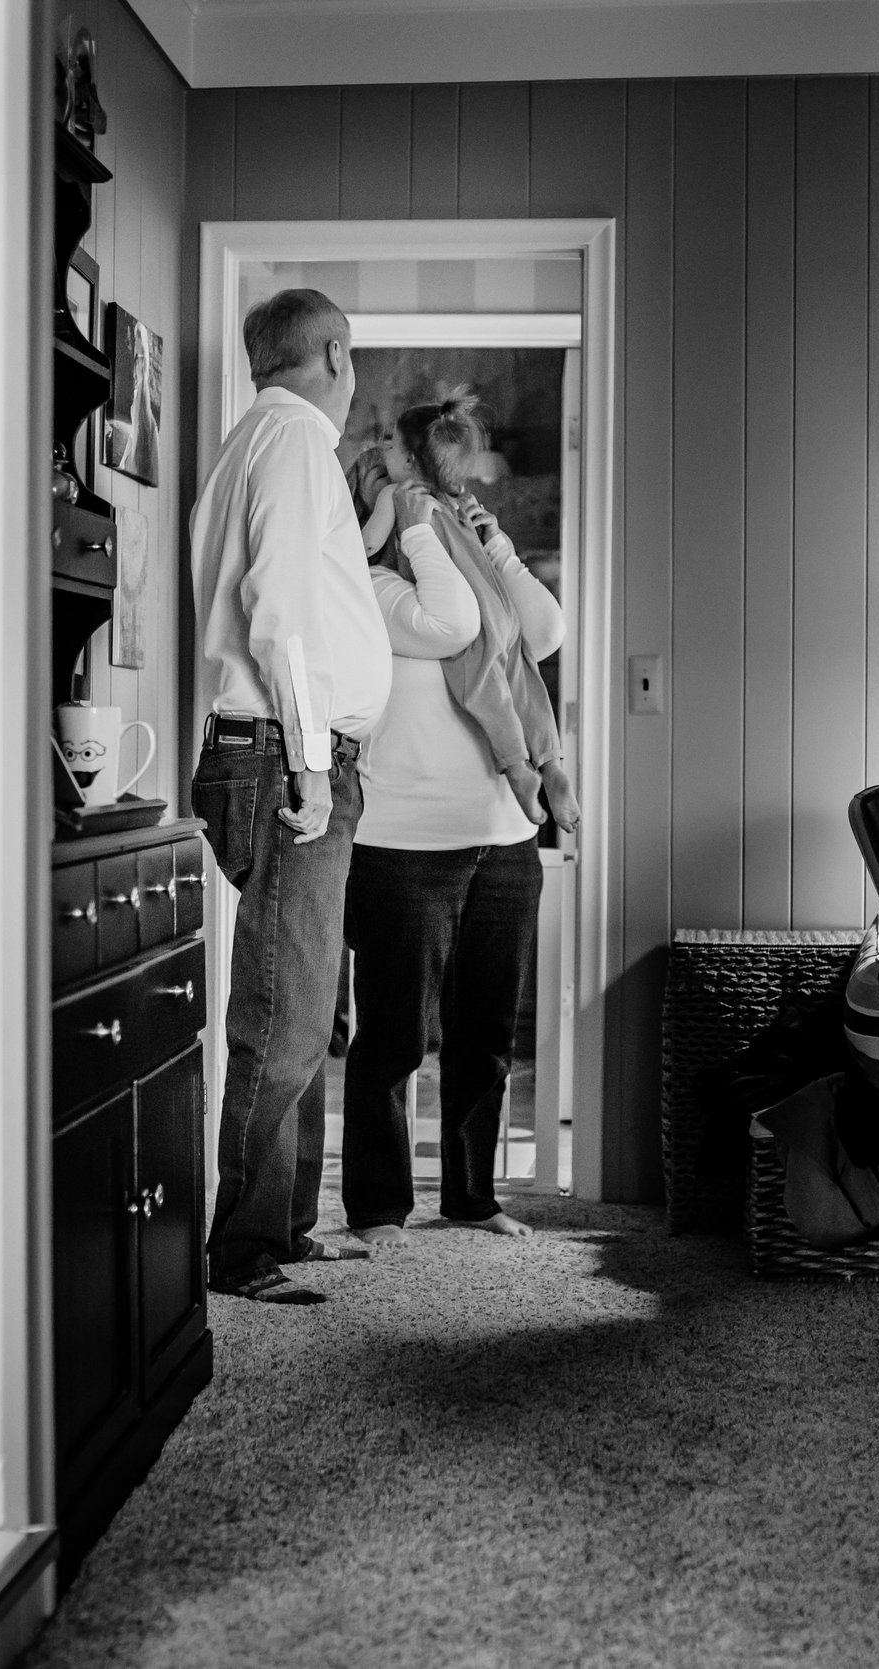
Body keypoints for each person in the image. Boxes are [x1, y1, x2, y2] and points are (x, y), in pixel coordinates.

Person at [189, 289, 389, 1306]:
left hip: (270, 750)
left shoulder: (248, 444)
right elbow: (283, 617)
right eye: (350, 361)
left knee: (306, 998)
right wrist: (312, 761)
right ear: (330, 353)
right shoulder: (298, 442)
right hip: (282, 757)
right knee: (285, 1001)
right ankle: (246, 1248)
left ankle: (288, 1223)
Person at [340, 405, 571, 1250]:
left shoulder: (463, 559)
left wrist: (494, 543)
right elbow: (454, 625)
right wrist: (413, 527)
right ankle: (376, 1207)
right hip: (402, 844)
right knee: (396, 1037)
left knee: (483, 1037)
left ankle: (472, 1197)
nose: (421, 499)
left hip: (504, 836)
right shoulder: (373, 581)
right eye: (403, 490)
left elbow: (543, 631)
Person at [347, 398, 580, 832]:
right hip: (499, 604)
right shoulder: (458, 501)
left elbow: (361, 548)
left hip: (476, 616)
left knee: (483, 686)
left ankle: (518, 770)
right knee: (523, 679)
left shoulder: (395, 496)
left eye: (391, 451)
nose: (385, 457)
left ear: (412, 459)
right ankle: (552, 763)